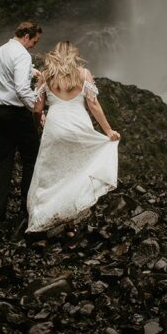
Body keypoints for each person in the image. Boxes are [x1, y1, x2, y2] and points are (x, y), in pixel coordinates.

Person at [26, 40, 121, 233]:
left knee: (50, 175)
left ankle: (41, 222)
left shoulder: (46, 76)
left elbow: (37, 109)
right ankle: (69, 223)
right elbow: (93, 104)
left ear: (54, 54)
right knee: (76, 172)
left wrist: (38, 123)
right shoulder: (83, 74)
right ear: (74, 54)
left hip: (55, 126)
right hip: (79, 127)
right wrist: (108, 131)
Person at [0, 21, 43, 225]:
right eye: (34, 41)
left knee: (4, 161)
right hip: (16, 112)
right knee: (31, 157)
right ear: (26, 36)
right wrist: (36, 109)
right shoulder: (22, 54)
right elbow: (21, 88)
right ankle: (25, 212)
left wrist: (29, 72)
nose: (34, 46)